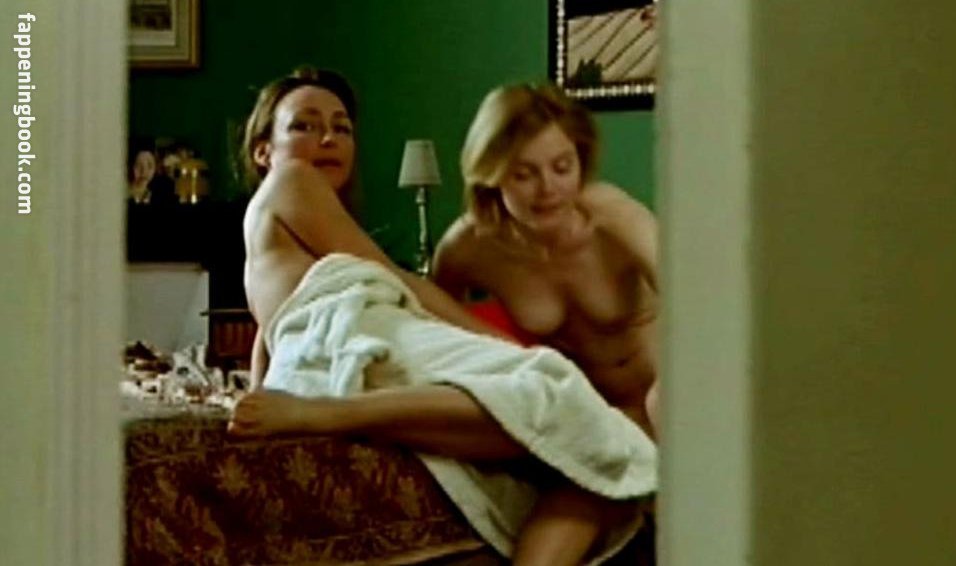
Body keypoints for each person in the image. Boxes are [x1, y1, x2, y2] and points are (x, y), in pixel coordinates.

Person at [228, 67, 649, 566]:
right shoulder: (293, 179)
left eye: (342, 127)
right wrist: (511, 350)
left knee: (585, 441)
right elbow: (399, 281)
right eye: (305, 125)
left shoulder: (277, 228)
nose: (328, 138)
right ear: (263, 150)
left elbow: (273, 326)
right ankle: (329, 411)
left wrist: (258, 392)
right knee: (554, 392)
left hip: (328, 343)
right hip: (356, 326)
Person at [432, 83, 661, 441]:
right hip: (583, 421)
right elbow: (435, 333)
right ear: (492, 174)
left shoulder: (615, 220)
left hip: (666, 401)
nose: (547, 188)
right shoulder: (467, 249)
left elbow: (700, 311)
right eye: (523, 174)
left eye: (562, 167)